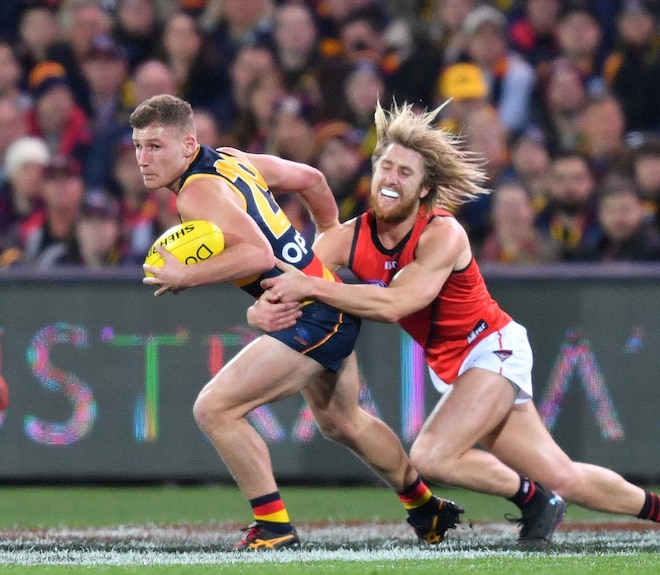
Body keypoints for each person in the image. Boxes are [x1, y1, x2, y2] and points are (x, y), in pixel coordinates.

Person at [250, 101, 660, 547]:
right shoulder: (351, 237)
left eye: (404, 170)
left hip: (492, 348)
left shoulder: (443, 233)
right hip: (460, 366)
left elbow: (399, 303)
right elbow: (288, 279)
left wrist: (311, 288)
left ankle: (534, 499)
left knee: (433, 456)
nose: (390, 177)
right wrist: (261, 307)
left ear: (425, 189)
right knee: (564, 475)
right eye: (384, 166)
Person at [133, 94, 462, 551]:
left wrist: (185, 275)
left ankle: (274, 528)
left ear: (188, 145)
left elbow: (256, 254)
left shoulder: (196, 191)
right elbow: (310, 178)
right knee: (342, 421)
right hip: (322, 300)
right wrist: (327, 231)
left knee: (215, 409)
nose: (143, 160)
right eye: (137, 147)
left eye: (154, 147)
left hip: (313, 313)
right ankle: (427, 508)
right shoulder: (232, 159)